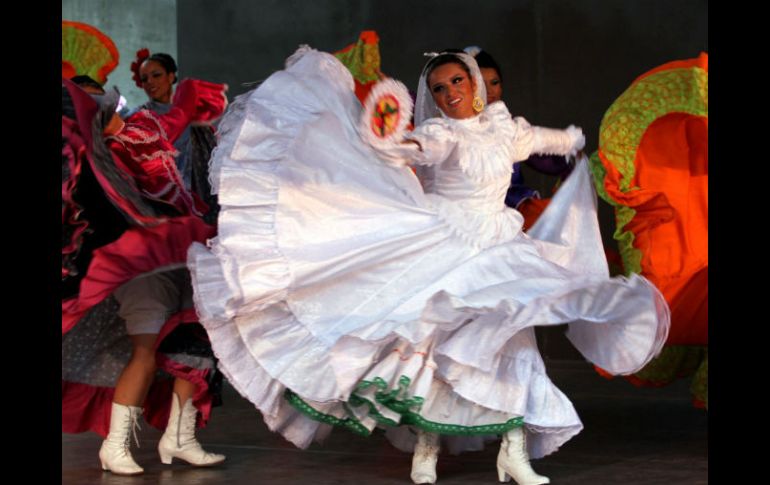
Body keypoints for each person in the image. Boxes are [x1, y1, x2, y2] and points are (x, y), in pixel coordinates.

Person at [187, 47, 669, 484]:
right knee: (434, 346)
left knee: (515, 338)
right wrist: (391, 140)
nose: (449, 93)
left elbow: (548, 141)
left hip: (500, 245)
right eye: (439, 88)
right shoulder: (441, 132)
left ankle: (515, 451)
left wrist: (571, 140)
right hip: (449, 241)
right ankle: (427, 449)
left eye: (457, 82)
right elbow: (415, 149)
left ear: (475, 84)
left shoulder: (506, 128)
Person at [62, 75, 228, 475]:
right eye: (107, 110)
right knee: (147, 351)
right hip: (142, 261)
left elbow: (166, 129)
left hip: (182, 252)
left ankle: (180, 437)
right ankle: (114, 445)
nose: (118, 113)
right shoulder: (116, 153)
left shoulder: (137, 134)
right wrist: (186, 99)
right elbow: (165, 125)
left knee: (197, 344)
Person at [465, 47, 574, 231]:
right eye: (482, 84)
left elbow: (539, 157)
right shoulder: (453, 129)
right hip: (470, 212)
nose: (490, 91)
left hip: (514, 204)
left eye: (495, 82)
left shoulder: (508, 125)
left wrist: (570, 163)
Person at [125, 49, 222, 222]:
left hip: (196, 190)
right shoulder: (140, 116)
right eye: (145, 79)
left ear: (171, 77)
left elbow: (210, 154)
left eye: (156, 75)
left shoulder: (192, 115)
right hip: (161, 196)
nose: (150, 82)